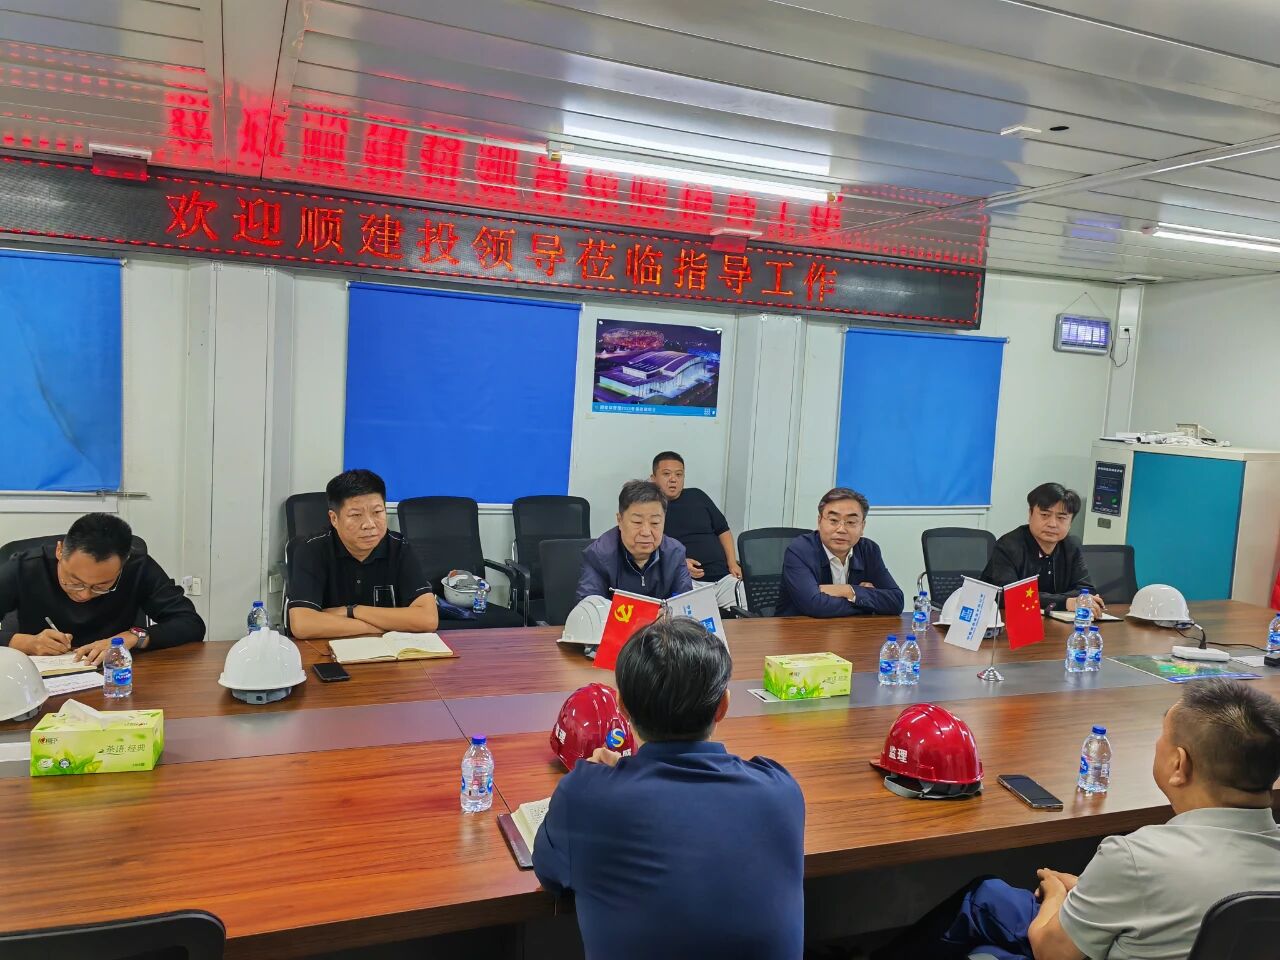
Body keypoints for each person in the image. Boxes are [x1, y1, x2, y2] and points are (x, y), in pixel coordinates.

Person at [873, 679, 1280, 960]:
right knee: (991, 898)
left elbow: (1052, 950)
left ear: (1179, 764)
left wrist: (1057, 894)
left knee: (986, 911)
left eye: (1163, 736)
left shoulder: (1135, 858)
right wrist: (1090, 888)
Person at [534, 616, 805, 960]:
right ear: (723, 706)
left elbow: (550, 874)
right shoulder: (781, 790)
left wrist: (604, 782)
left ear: (622, 707)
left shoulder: (585, 796)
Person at [0, 513, 204, 665]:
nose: (84, 594)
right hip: (40, 680)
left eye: (101, 586)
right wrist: (24, 642)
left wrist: (133, 637)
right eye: (74, 581)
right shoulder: (24, 568)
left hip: (117, 674)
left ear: (123, 564)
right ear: (60, 551)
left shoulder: (138, 567)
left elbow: (190, 623)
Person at [286, 469, 438, 639]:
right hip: (327, 649)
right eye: (356, 515)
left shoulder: (400, 548)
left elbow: (428, 619)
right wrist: (378, 627)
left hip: (388, 651)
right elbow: (303, 625)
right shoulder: (312, 550)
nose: (369, 524)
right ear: (334, 519)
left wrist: (352, 611)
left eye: (377, 512)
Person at [776, 487, 903, 617]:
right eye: (833, 520)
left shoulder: (869, 550)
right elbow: (814, 605)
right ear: (819, 521)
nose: (841, 529)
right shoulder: (800, 550)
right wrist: (865, 601)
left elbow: (896, 601)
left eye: (851, 522)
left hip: (852, 628)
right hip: (801, 628)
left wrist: (849, 591)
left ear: (862, 526)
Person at [982, 483, 1100, 614]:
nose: (1052, 524)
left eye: (1061, 518)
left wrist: (1068, 601)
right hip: (1010, 621)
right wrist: (1065, 602)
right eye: (1045, 515)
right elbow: (1008, 595)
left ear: (1070, 522)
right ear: (1030, 514)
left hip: (1057, 623)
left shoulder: (1071, 546)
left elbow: (1087, 591)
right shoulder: (1009, 545)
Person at [574, 480, 693, 604]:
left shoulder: (675, 553)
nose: (646, 532)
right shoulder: (598, 555)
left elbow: (686, 604)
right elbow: (589, 607)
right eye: (637, 522)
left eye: (655, 523)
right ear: (620, 520)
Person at [650, 451, 742, 582]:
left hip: (724, 576)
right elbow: (647, 551)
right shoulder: (649, 508)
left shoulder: (697, 496)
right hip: (685, 579)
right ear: (653, 479)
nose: (673, 479)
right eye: (666, 474)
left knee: (747, 594)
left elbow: (723, 530)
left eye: (679, 474)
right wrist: (679, 564)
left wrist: (732, 563)